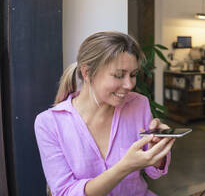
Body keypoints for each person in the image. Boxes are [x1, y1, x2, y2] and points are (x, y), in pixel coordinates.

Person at [34, 31, 175, 196]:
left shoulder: (139, 104)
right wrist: (125, 167)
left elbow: (154, 172)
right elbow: (65, 192)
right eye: (119, 75)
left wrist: (156, 150)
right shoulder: (49, 123)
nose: (129, 84)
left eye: (133, 75)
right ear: (87, 73)